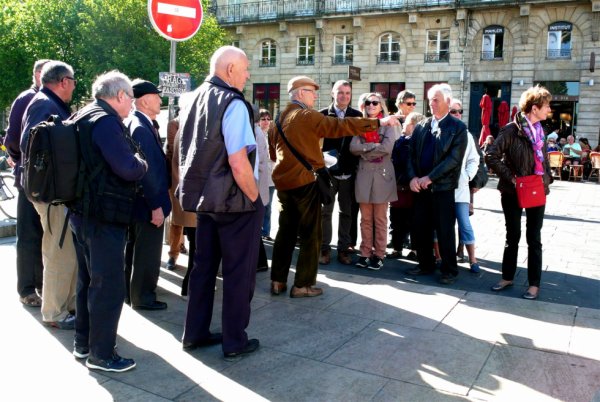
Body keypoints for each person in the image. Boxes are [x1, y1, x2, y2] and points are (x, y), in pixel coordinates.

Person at [269, 76, 400, 298]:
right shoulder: (307, 115)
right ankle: (302, 285)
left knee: (285, 233)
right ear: (300, 93)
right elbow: (340, 125)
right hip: (305, 183)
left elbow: (274, 154)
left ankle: (277, 281)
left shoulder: (278, 119)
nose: (315, 95)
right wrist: (378, 122)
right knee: (311, 235)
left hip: (283, 185)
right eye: (311, 91)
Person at [179, 46, 263, 360]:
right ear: (229, 70)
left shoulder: (191, 99)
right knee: (239, 273)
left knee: (202, 268)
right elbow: (238, 161)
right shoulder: (233, 102)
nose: (248, 75)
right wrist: (255, 198)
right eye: (245, 69)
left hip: (204, 200)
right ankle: (234, 341)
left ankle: (195, 333)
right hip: (234, 200)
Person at [69, 70, 148, 372]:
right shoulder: (106, 122)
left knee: (88, 280)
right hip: (103, 216)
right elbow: (128, 168)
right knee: (108, 285)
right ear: (119, 96)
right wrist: (141, 163)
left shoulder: (82, 115)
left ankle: (83, 343)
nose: (132, 104)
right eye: (130, 98)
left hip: (82, 213)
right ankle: (102, 354)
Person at [20, 60, 78, 329]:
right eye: (74, 81)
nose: (75, 86)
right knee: (59, 253)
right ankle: (55, 313)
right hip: (51, 193)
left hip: (53, 191)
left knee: (63, 251)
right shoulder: (45, 103)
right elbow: (29, 145)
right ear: (63, 81)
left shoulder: (47, 102)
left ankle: (65, 307)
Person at [485, 85, 553, 300]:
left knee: (534, 238)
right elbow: (491, 155)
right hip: (513, 191)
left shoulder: (541, 131)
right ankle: (507, 277)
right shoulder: (511, 130)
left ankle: (534, 284)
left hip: (536, 189)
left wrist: (547, 178)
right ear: (535, 108)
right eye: (546, 106)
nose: (549, 110)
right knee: (512, 235)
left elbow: (544, 159)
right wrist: (512, 178)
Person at [406, 83, 468, 285]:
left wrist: (429, 178)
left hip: (442, 188)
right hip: (420, 187)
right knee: (420, 227)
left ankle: (449, 269)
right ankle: (425, 264)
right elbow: (411, 155)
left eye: (436, 99)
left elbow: (453, 160)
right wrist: (413, 178)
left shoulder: (458, 128)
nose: (431, 103)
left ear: (448, 102)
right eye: (430, 99)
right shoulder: (422, 125)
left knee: (445, 230)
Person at [4, 59, 48, 308]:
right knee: (29, 235)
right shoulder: (27, 98)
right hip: (30, 181)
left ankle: (41, 283)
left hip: (42, 182)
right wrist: (22, 162)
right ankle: (27, 288)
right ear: (38, 74)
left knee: (42, 236)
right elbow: (12, 140)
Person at [124, 80, 171, 310]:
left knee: (135, 248)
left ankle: (131, 293)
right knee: (147, 252)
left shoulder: (140, 123)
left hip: (140, 202)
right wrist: (155, 205)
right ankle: (143, 297)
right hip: (147, 203)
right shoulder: (141, 127)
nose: (160, 100)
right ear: (144, 100)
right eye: (157, 96)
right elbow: (147, 171)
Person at [350, 93, 397, 270]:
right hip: (364, 175)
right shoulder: (359, 124)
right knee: (365, 219)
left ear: (381, 105)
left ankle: (379, 254)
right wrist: (372, 146)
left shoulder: (388, 124)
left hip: (382, 175)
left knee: (380, 218)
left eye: (375, 102)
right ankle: (365, 253)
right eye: (367, 102)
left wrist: (365, 152)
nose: (371, 105)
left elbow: (387, 148)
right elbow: (353, 147)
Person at [319, 80, 362, 265]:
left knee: (347, 213)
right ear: (332, 93)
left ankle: (344, 249)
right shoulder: (321, 115)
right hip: (328, 173)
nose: (344, 96)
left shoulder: (357, 116)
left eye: (347, 93)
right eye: (340, 92)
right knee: (325, 213)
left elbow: (364, 142)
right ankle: (324, 249)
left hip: (349, 173)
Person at [167, 93, 197, 296]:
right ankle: (191, 286)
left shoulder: (183, 129)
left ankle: (190, 285)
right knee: (197, 247)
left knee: (196, 246)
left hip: (186, 192)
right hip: (191, 195)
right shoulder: (187, 129)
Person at [448, 99, 481, 273]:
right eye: (453, 111)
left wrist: (467, 175)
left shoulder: (466, 134)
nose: (457, 114)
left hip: (460, 188)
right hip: (442, 188)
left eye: (459, 111)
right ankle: (441, 257)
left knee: (465, 224)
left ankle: (473, 260)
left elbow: (475, 159)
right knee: (442, 224)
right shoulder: (441, 130)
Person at [388, 112, 425, 261]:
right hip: (398, 187)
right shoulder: (399, 141)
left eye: (408, 123)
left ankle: (415, 250)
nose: (404, 125)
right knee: (396, 219)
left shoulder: (417, 142)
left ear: (415, 126)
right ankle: (397, 247)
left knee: (413, 220)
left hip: (412, 188)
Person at [165, 106, 186, 271]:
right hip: (177, 177)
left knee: (193, 220)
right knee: (178, 219)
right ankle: (173, 253)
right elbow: (173, 149)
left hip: (193, 180)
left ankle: (181, 246)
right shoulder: (174, 124)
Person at [258, 109, 275, 241]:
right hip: (259, 176)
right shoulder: (255, 134)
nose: (266, 122)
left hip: (271, 177)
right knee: (259, 205)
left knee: (268, 206)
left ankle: (265, 231)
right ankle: (257, 230)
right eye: (263, 119)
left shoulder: (272, 135)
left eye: (268, 119)